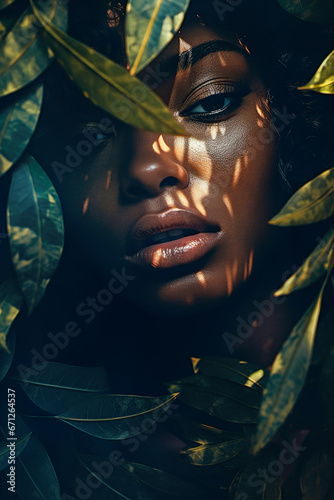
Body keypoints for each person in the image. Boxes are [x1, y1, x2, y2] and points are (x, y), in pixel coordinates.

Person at [3, 0, 334, 498]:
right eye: (91, 131)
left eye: (209, 103)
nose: (147, 167)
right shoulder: (31, 453)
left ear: (295, 110)